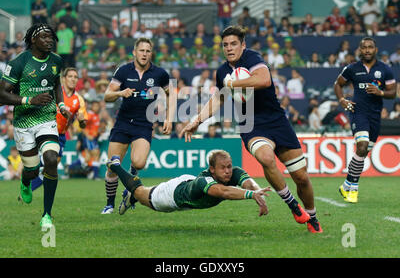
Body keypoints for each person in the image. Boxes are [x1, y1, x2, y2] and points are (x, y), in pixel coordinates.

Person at [180, 26, 323, 233]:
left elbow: (264, 80)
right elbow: (219, 98)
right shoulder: (222, 72)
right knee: (266, 158)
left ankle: (313, 216)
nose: (229, 48)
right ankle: (293, 205)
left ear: (243, 45)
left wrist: (233, 83)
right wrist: (197, 119)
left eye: (233, 44)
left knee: (301, 177)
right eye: (225, 45)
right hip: (251, 125)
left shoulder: (252, 58)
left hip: (277, 121)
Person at [0, 23, 69, 229]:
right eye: (45, 37)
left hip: (47, 119)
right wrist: (30, 100)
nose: (50, 40)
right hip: (24, 122)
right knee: (32, 168)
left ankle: (47, 215)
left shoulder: (57, 60)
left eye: (51, 37)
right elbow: (2, 94)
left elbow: (56, 83)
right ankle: (25, 180)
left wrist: (62, 104)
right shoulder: (19, 62)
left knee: (50, 159)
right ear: (33, 40)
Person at [101, 37, 175, 214]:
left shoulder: (160, 74)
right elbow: (107, 95)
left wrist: (169, 119)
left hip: (144, 124)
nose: (144, 54)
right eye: (141, 50)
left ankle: (129, 185)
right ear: (134, 52)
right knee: (112, 166)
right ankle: (109, 204)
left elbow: (171, 95)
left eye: (148, 51)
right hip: (123, 123)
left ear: (151, 54)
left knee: (139, 163)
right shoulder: (123, 71)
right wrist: (121, 93)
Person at [107, 150, 270, 216]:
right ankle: (116, 166)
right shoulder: (204, 182)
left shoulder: (232, 172)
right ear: (212, 169)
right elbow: (223, 192)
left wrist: (257, 192)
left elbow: (248, 183)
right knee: (142, 193)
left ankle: (131, 196)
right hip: (173, 195)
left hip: (187, 181)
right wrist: (251, 195)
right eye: (223, 168)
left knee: (141, 195)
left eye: (228, 166)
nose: (227, 171)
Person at [334, 37, 397, 203]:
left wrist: (380, 92)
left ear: (375, 50)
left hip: (375, 115)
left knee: (363, 152)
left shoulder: (385, 69)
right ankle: (353, 189)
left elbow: (393, 92)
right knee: (361, 146)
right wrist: (342, 100)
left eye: (370, 47)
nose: (367, 50)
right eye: (364, 47)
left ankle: (346, 185)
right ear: (360, 50)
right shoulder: (352, 68)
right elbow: (338, 84)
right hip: (358, 112)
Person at [30, 67, 88, 191]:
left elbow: (83, 125)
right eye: (70, 76)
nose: (73, 79)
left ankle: (29, 188)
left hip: (61, 135)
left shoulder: (79, 100)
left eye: (75, 77)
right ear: (63, 79)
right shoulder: (54, 92)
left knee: (52, 167)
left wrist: (82, 121)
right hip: (46, 130)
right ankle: (32, 169)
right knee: (48, 161)